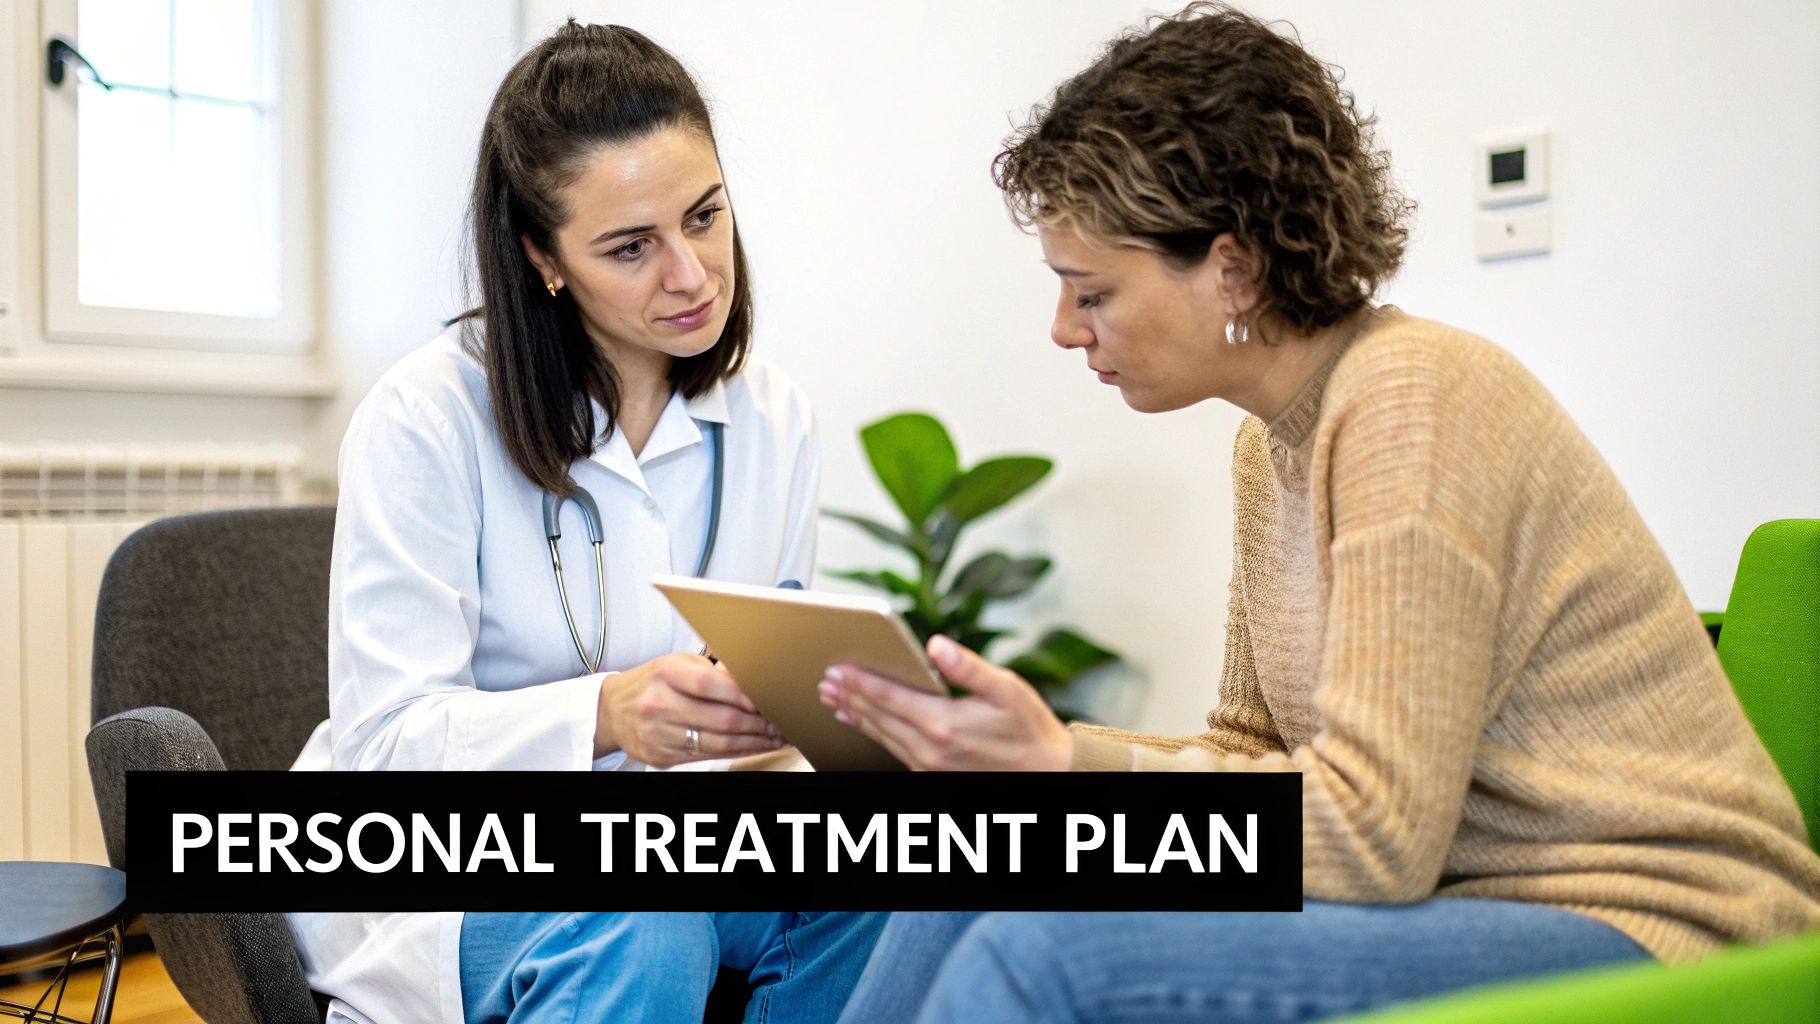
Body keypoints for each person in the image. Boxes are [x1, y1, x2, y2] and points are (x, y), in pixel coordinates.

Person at [820, 4, 1820, 1021]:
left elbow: (1374, 836)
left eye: (1091, 290)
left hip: (1653, 921)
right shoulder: (1271, 443)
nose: (1062, 329)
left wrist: (1074, 785)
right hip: (1461, 900)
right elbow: (1252, 755)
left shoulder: (1410, 402)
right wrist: (1055, 763)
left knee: (1048, 952)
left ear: (1233, 265)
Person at [286, 22, 882, 1024]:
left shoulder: (774, 417)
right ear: (541, 258)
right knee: (645, 921)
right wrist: (606, 714)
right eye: (629, 248)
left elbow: (757, 691)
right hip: (445, 872)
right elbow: (383, 747)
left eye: (703, 217)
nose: (690, 275)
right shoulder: (425, 417)